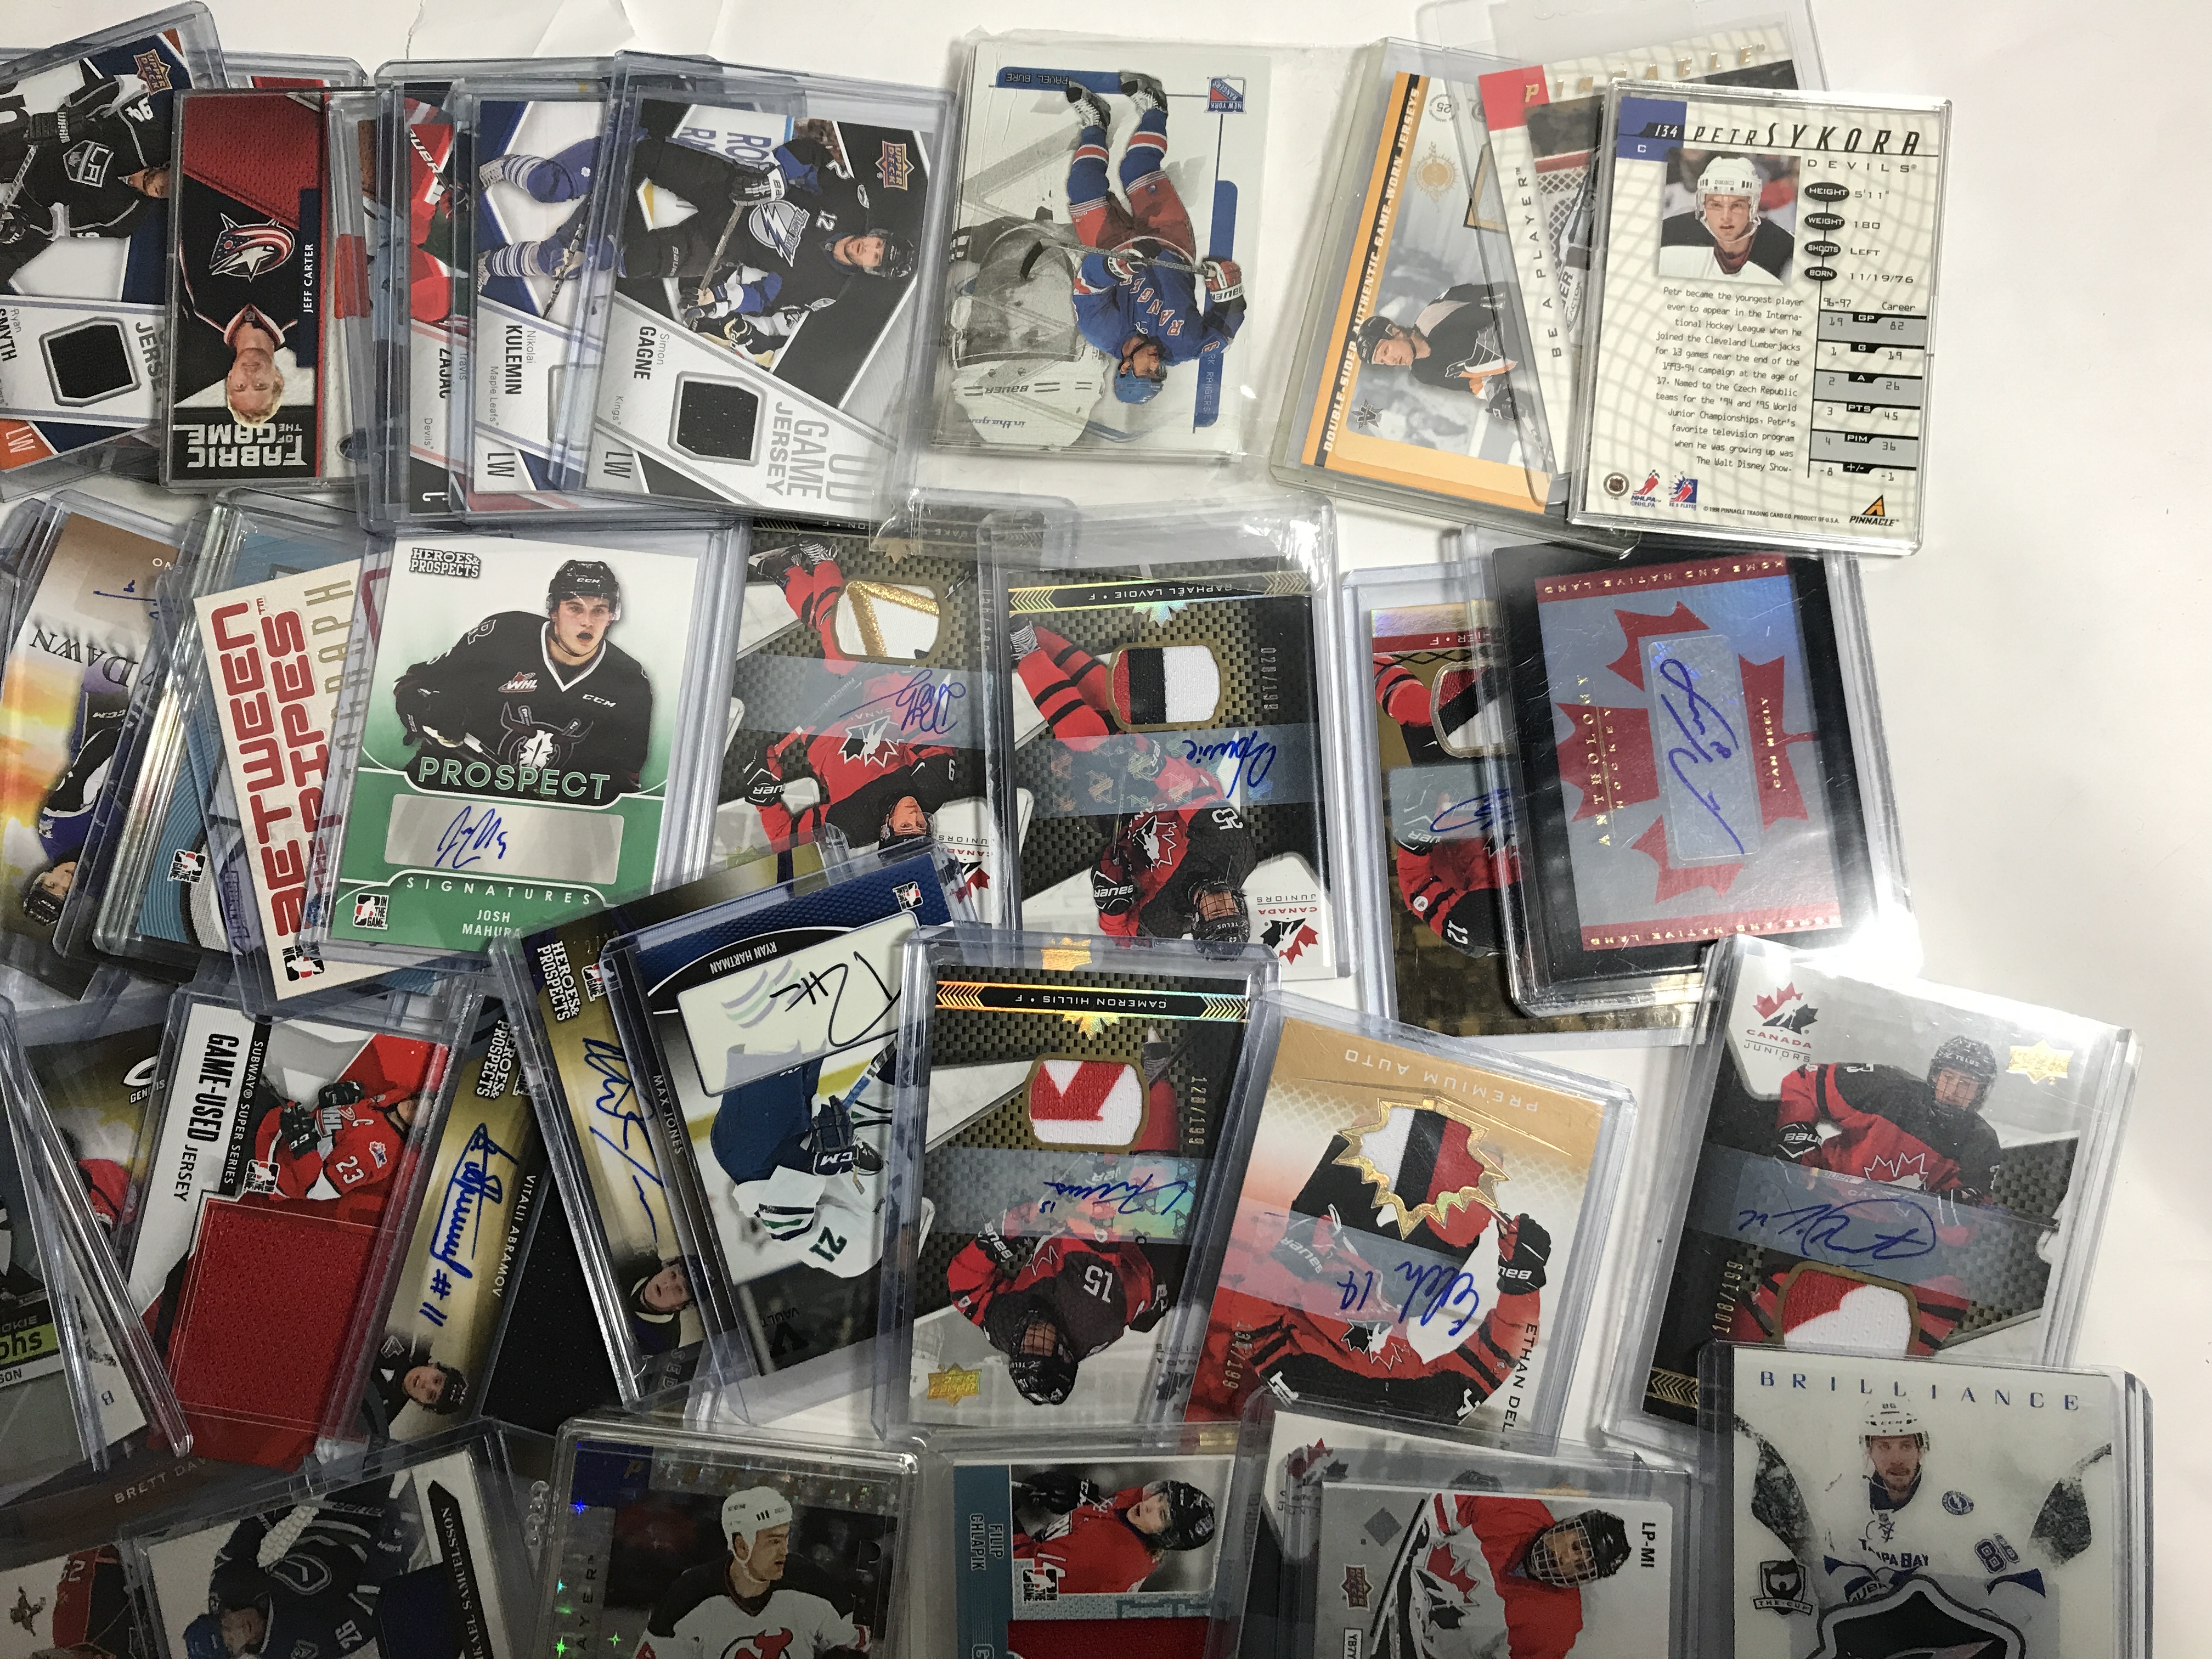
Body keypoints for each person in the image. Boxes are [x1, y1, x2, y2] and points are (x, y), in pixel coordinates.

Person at [484, 122, 916, 358]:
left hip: (721, 244)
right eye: (878, 245)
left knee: (609, 262)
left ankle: (494, 262)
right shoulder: (851, 203)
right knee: (565, 180)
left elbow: (766, 297)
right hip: (727, 187)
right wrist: (776, 179)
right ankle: (503, 169)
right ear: (876, 235)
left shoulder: (827, 289)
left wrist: (720, 302)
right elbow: (812, 156)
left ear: (871, 270)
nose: (869, 250)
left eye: (876, 259)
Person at [1011, 623, 1256, 944]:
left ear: (1197, 921)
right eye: (1232, 909)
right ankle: (1032, 634)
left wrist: (1111, 907)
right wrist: (1156, 764)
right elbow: (1194, 791)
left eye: (1216, 913)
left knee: (1088, 732)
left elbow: (1123, 940)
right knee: (1111, 701)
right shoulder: (1232, 850)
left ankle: (1026, 649)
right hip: (1164, 784)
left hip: (1119, 820)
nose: (1222, 901)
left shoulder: (1165, 921)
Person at [1192, 1208, 1551, 1425]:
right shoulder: (1421, 1404)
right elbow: (1495, 1360)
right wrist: (1524, 1282)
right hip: (1390, 1272)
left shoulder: (1306, 1388)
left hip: (1334, 1238)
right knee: (1467, 1195)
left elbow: (1250, 1322)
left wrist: (1297, 1252)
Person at [740, 540, 964, 857]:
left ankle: (817, 564)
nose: (916, 816)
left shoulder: (850, 826)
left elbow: (783, 837)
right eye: (922, 826)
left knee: (841, 638)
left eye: (906, 826)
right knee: (841, 637)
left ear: (886, 830)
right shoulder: (933, 786)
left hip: (823, 724)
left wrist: (765, 797)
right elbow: (922, 716)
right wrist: (896, 678)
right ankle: (784, 569)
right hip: (874, 698)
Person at [392, 558, 653, 802]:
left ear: (611, 617)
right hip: (452, 782)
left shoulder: (630, 682)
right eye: (575, 608)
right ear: (554, 611)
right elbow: (411, 684)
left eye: (599, 611)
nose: (587, 622)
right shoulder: (503, 635)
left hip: (543, 817)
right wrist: (428, 710)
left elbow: (625, 780)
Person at [1062, 74, 1244, 405]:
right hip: (1169, 242)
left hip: (1116, 249)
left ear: (1125, 368)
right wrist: (1229, 293)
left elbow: (1087, 288)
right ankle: (1155, 110)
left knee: (1082, 189)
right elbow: (1226, 329)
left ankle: (1095, 125)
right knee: (1136, 168)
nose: (1157, 365)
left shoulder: (1101, 332)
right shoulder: (1186, 347)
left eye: (1147, 371)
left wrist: (1114, 267)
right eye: (1158, 374)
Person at [947, 1199, 1171, 1407]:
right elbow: (1100, 1218)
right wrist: (1050, 1211)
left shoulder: (1009, 1330)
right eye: (1038, 1347)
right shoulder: (1092, 1309)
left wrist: (1007, 1234)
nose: (1028, 1338)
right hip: (1150, 1250)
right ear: (1063, 1353)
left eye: (1022, 1350)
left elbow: (963, 1287)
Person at [1372, 657, 1515, 957]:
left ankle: (1353, 660)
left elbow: (1416, 885)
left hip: (1457, 796)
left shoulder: (1485, 933)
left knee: (1417, 710)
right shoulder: (1582, 913)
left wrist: (1416, 840)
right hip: (1533, 771)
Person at [1372, 1496, 1632, 1659]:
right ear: (1570, 1524)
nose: (1566, 1561)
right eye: (1575, 1546)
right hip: (1386, 1577)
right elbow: (1420, 1514)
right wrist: (1374, 1543)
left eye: (1582, 1567)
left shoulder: (1555, 1630)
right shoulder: (1517, 1508)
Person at [179, 1483, 415, 1659]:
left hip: (338, 1520)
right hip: (381, 1562)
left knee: (375, 1446)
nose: (240, 1631)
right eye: (231, 1645)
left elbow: (249, 1532)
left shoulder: (226, 1587)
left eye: (227, 1627)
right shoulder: (292, 1650)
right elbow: (368, 1613)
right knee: (423, 1494)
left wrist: (287, 1492)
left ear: (224, 1613)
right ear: (237, 1655)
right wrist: (389, 1547)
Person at [645, 1487, 868, 1659]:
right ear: (742, 1546)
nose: (784, 1551)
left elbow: (857, 1646)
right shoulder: (689, 1595)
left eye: (785, 1539)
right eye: (773, 1542)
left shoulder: (813, 1585)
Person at [0, 75, 172, 288]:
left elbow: (61, 223)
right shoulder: (149, 138)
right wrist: (66, 117)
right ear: (171, 164)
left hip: (40, 200)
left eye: (173, 197)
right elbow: (125, 85)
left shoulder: (126, 219)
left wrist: (23, 224)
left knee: (8, 253)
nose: (167, 190)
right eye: (175, 183)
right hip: (42, 146)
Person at [19, 665, 131, 929]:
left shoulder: (57, 827)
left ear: (43, 877)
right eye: (64, 893)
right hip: (135, 757)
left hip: (104, 725)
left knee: (109, 662)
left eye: (52, 884)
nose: (65, 881)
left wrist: (139, 727)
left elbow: (97, 754)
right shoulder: (103, 878)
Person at [1012, 1471, 1216, 1595]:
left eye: (1162, 1515)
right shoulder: (1138, 1510)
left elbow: (1024, 1582)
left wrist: (1004, 1519)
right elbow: (1110, 1516)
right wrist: (1085, 1500)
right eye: (1160, 1497)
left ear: (1167, 1538)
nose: (1149, 1505)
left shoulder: (1112, 1557)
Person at [1353, 285, 1516, 403]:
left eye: (1386, 351)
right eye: (1383, 362)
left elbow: (1502, 298)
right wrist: (1500, 399)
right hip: (1522, 359)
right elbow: (1473, 383)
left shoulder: (1435, 316)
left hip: (1521, 322)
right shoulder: (1422, 373)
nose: (1391, 361)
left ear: (1395, 331)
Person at [1656, 155, 1792, 283]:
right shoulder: (1668, 238)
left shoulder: (1786, 249)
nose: (1726, 217)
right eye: (1716, 205)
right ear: (1703, 205)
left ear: (1753, 207)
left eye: (1737, 206)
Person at [369, 1331, 470, 1420]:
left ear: (421, 1404)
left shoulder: (382, 1412)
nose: (425, 1385)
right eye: (436, 1380)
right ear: (434, 1366)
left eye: (430, 1395)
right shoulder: (416, 1337)